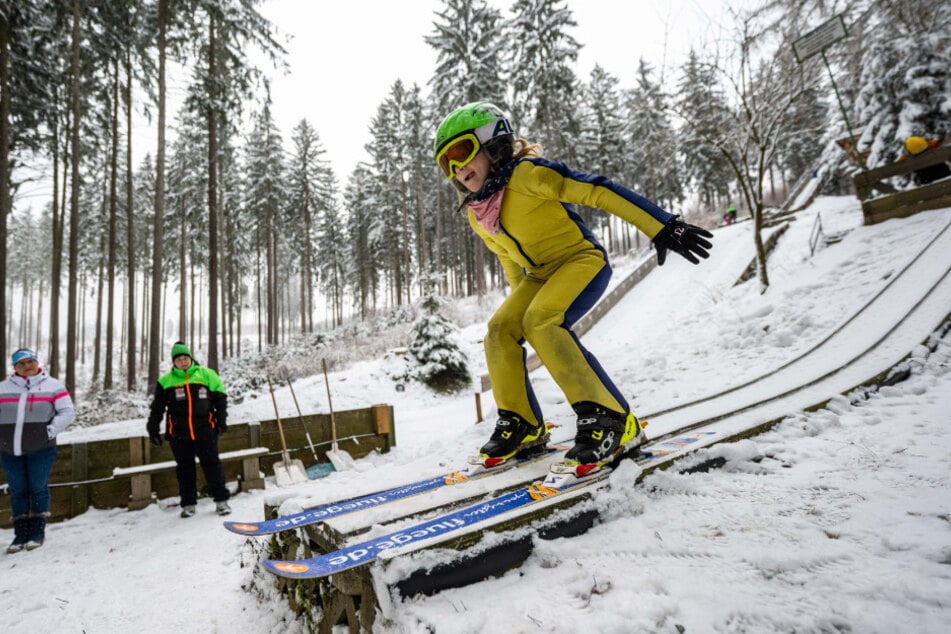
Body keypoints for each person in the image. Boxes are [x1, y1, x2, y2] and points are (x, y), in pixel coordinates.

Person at [433, 102, 713, 473]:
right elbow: (510, 261)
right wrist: (518, 311)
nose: (456, 168)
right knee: (500, 331)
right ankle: (522, 424)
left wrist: (662, 225)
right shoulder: (478, 212)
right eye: (446, 163)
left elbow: (599, 190)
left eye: (461, 152)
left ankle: (612, 420)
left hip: (581, 261)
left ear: (493, 144)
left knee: (542, 321)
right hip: (539, 276)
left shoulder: (530, 175)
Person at [0, 349, 74, 553]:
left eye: (30, 361)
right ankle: (20, 535)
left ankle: (37, 532)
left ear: (37, 362)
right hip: (8, 450)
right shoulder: (3, 388)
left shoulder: (53, 386)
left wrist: (49, 431)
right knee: (18, 490)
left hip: (41, 448)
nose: (26, 366)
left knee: (38, 487)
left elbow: (67, 412)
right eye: (21, 363)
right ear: (14, 367)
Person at [146, 342, 231, 517]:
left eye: (185, 358)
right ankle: (189, 504)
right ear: (173, 362)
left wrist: (221, 421)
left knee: (212, 465)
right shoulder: (165, 382)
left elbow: (220, 401)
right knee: (185, 469)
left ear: (190, 358)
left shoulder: (207, 375)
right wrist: (153, 429)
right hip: (179, 434)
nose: (183, 362)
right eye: (178, 359)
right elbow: (157, 409)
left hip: (205, 431)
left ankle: (221, 502)